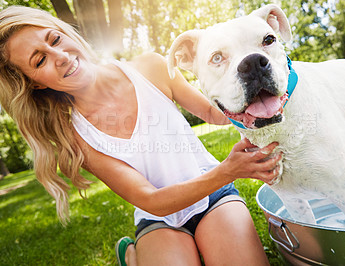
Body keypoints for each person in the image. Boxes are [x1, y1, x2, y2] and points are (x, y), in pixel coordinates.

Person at [0, 6, 282, 266]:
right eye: (40, 61)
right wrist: (227, 171)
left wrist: (253, 92)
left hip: (214, 196)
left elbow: (214, 113)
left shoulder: (150, 67)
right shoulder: (76, 137)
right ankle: (135, 255)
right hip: (158, 218)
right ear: (33, 84)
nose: (60, 57)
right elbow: (150, 199)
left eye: (55, 39)